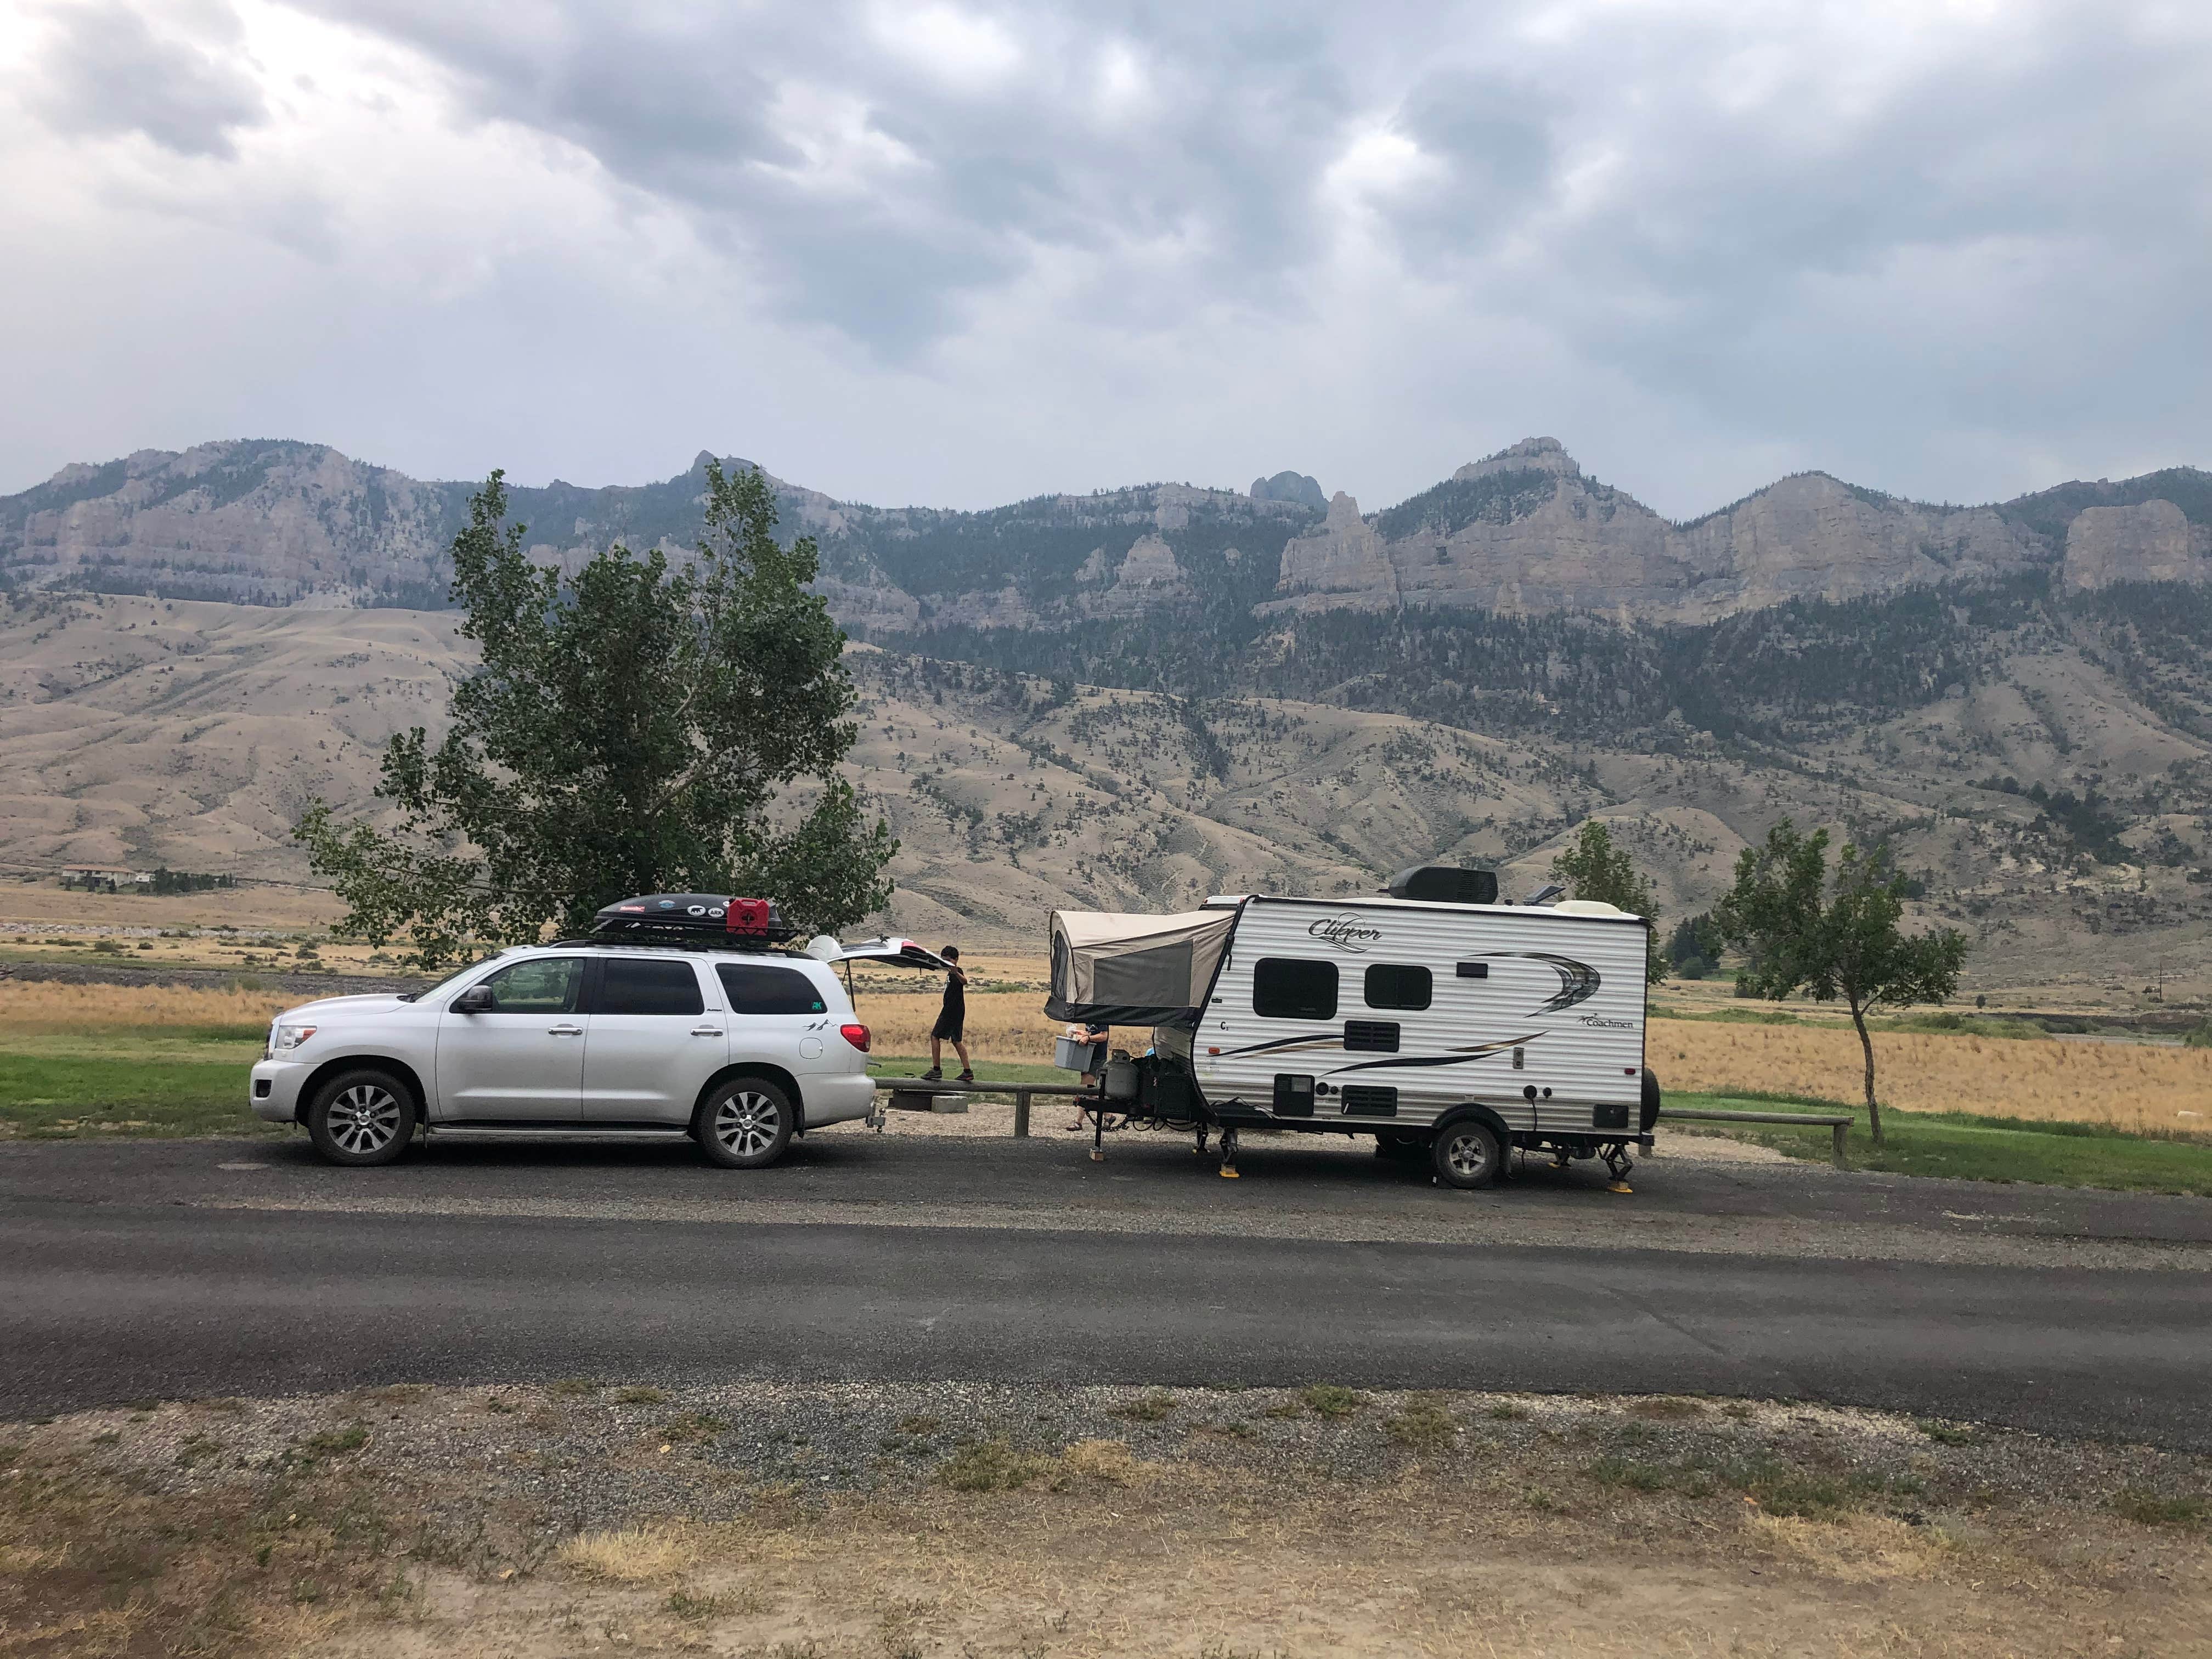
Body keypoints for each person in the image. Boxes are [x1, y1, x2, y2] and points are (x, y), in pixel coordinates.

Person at [922, 946, 973, 1083]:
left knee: (935, 1036)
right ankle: (968, 1072)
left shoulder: (957, 972)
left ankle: (936, 1069)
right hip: (957, 1010)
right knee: (956, 1041)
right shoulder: (950, 973)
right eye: (944, 961)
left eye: (949, 960)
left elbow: (965, 981)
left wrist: (956, 973)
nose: (947, 963)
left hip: (951, 1011)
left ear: (956, 960)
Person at [1070, 1018, 1110, 1130]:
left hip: (1098, 1058)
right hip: (1088, 1056)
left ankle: (1078, 1122)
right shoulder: (1089, 1017)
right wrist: (1080, 1034)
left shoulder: (1102, 1017)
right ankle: (1109, 1115)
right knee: (1091, 1090)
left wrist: (1088, 1038)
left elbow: (1103, 1036)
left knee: (1084, 1088)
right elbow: (1091, 1032)